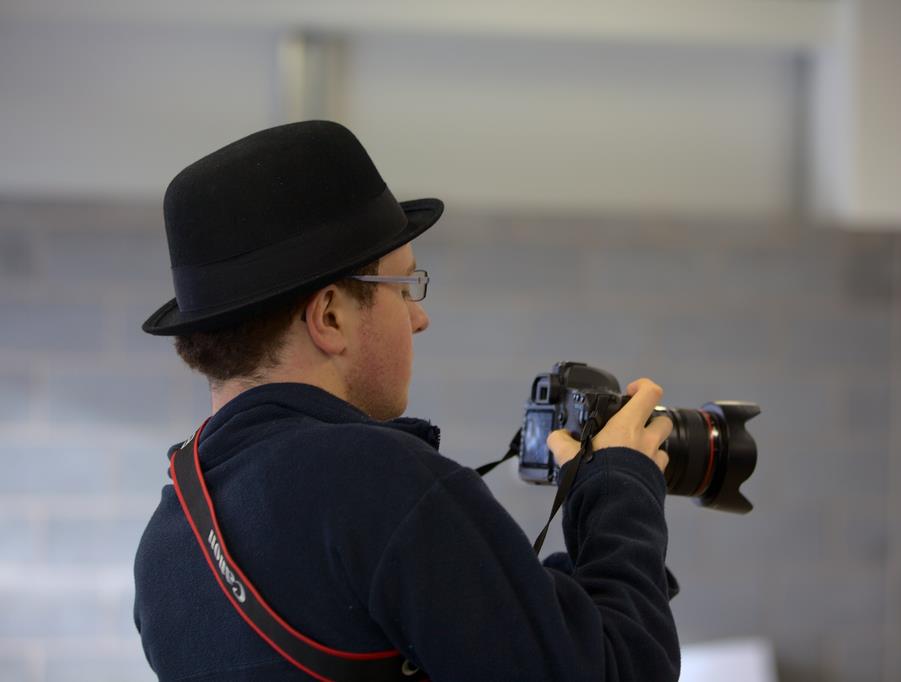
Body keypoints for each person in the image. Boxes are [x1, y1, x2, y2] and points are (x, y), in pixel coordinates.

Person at [133, 120, 680, 681]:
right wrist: (622, 488)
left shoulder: (166, 549)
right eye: (405, 286)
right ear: (330, 317)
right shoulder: (378, 481)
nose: (419, 318)